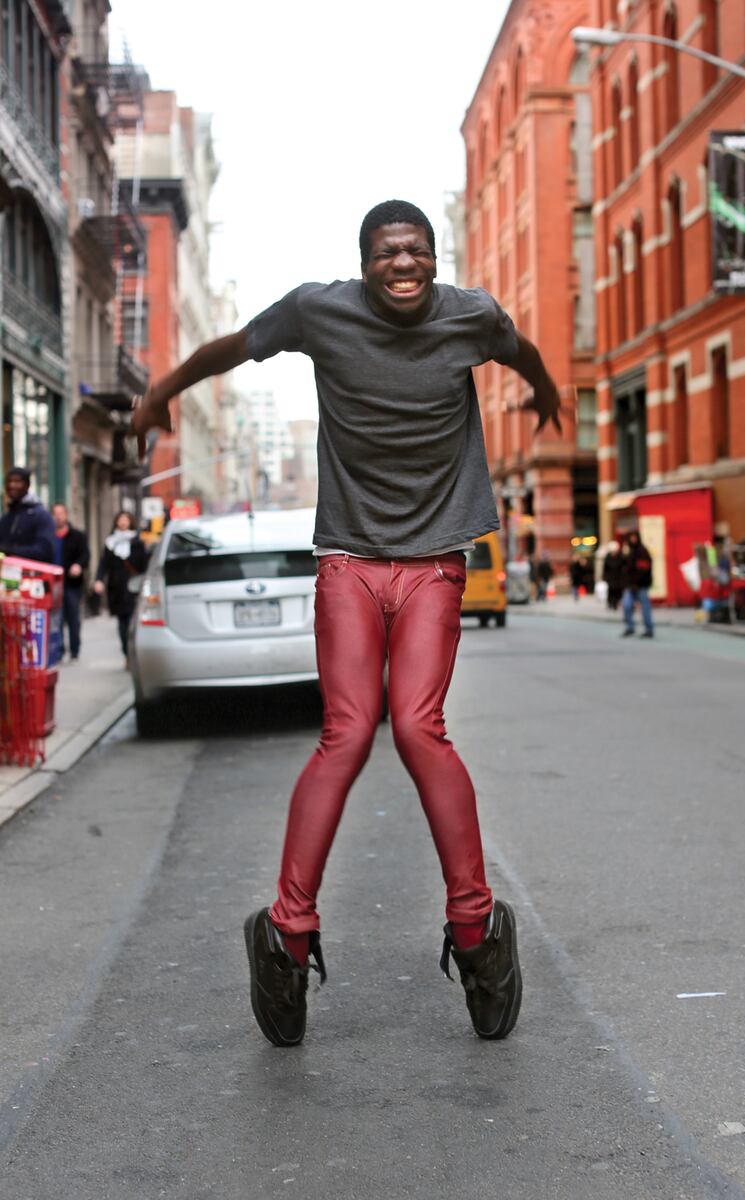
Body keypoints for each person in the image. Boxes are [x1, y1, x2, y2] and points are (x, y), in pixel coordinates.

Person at [131, 199, 563, 1047]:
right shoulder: (316, 310)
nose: (405, 265)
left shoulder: (470, 315)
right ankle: (288, 935)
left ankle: (475, 933)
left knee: (418, 727)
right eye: (388, 253)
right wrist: (164, 389)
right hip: (348, 564)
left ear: (433, 258)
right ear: (363, 261)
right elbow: (233, 348)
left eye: (418, 252)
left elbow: (527, 355)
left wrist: (547, 395)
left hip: (437, 560)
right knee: (348, 731)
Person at [93, 511, 148, 666]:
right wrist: (99, 580)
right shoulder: (110, 542)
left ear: (130, 522)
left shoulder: (137, 542)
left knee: (132, 620)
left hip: (133, 587)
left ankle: (133, 654)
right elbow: (103, 564)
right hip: (116, 587)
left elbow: (143, 565)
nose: (123, 523)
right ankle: (126, 653)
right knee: (121, 622)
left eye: (126, 520)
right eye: (120, 520)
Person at [52, 502, 90, 662]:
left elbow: (85, 555)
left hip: (72, 584)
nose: (58, 517)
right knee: (56, 619)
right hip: (53, 583)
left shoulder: (77, 535)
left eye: (61, 513)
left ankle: (74, 650)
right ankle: (59, 651)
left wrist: (78, 566)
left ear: (66, 515)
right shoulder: (48, 536)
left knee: (73, 617)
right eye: (55, 513)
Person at [0, 466, 56, 563]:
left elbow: (44, 551)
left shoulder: (41, 515)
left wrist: (11, 550)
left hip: (34, 575)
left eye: (17, 482)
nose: (12, 485)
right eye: (9, 481)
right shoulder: (6, 517)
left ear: (27, 485)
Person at [621, 529, 654, 638]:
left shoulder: (642, 551)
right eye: (631, 537)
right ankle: (630, 627)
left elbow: (644, 569)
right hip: (630, 585)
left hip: (640, 585)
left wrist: (637, 581)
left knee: (645, 607)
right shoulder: (628, 551)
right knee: (626, 606)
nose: (633, 539)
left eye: (635, 537)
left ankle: (649, 629)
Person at [602, 539, 624, 610]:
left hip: (618, 578)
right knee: (611, 591)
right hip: (611, 578)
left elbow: (622, 567)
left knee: (617, 591)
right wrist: (605, 577)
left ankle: (615, 604)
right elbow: (605, 569)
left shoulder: (620, 557)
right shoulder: (607, 557)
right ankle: (610, 603)